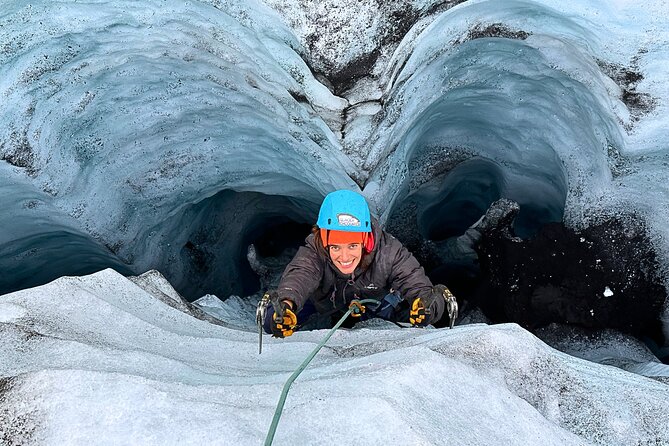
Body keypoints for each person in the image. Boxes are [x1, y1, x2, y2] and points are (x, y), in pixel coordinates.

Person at [262, 189, 457, 337]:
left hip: (373, 303)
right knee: (275, 316)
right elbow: (299, 276)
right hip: (326, 301)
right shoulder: (315, 251)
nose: (345, 257)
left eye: (353, 246)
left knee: (392, 313)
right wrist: (285, 306)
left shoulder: (389, 252)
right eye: (336, 247)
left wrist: (427, 307)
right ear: (324, 240)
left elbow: (418, 286)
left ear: (365, 241)